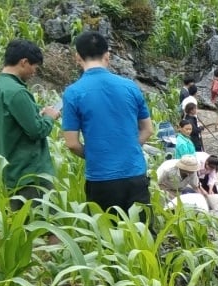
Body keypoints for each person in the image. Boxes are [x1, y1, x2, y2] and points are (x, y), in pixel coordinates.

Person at [62, 31, 154, 215]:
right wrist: (128, 148)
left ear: (77, 57)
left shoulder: (73, 93)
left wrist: (98, 155)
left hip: (100, 179)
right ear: (108, 56)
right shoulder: (130, 86)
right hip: (134, 173)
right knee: (142, 236)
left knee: (106, 239)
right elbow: (148, 129)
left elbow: (72, 143)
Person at [0, 38, 61, 209]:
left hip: (11, 172)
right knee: (50, 229)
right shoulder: (17, 92)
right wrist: (50, 117)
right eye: (35, 67)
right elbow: (37, 131)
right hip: (31, 173)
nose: (34, 72)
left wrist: (37, 113)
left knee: (23, 229)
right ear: (24, 62)